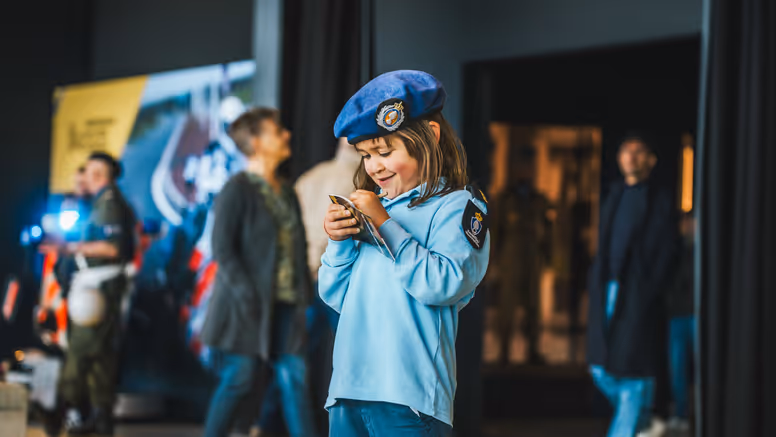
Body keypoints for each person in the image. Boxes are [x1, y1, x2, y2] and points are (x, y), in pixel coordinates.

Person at [320, 70, 491, 437]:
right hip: (348, 391)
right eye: (365, 155)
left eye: (384, 151)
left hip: (409, 398)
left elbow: (443, 285)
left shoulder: (460, 207)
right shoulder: (374, 207)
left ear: (430, 134)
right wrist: (339, 241)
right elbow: (335, 296)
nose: (374, 166)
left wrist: (384, 224)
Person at [200, 107, 318, 437]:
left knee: (294, 379)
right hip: (245, 307)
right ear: (256, 141)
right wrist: (247, 295)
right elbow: (223, 249)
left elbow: (299, 246)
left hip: (286, 305)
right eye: (277, 131)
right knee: (239, 379)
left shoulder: (287, 190)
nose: (286, 135)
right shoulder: (236, 188)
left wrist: (303, 296)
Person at [586, 134, 677, 437]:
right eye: (627, 150)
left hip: (637, 293)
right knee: (600, 367)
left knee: (633, 375)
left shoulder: (660, 200)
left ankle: (639, 409)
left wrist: (649, 288)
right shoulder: (613, 195)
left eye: (639, 151)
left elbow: (666, 251)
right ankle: (644, 412)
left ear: (650, 160)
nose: (632, 156)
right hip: (607, 290)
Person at [58, 152, 137, 436]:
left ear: (101, 175)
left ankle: (78, 414)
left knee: (83, 353)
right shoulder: (98, 202)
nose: (85, 179)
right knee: (99, 356)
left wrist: (69, 248)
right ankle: (99, 420)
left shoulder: (109, 204)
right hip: (95, 288)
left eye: (91, 173)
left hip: (99, 290)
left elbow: (112, 247)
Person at [490, 146, 551, 365]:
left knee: (534, 305)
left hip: (532, 255)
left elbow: (548, 231)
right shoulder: (505, 199)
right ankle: (504, 351)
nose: (526, 171)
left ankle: (533, 349)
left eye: (529, 166)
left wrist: (548, 259)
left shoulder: (539, 199)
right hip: (511, 255)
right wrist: (493, 262)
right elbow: (495, 233)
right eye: (522, 166)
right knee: (507, 305)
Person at [666, 213, 695, 431]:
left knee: (697, 367)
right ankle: (681, 413)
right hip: (677, 315)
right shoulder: (674, 249)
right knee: (678, 369)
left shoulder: (701, 251)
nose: (688, 226)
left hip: (694, 315)